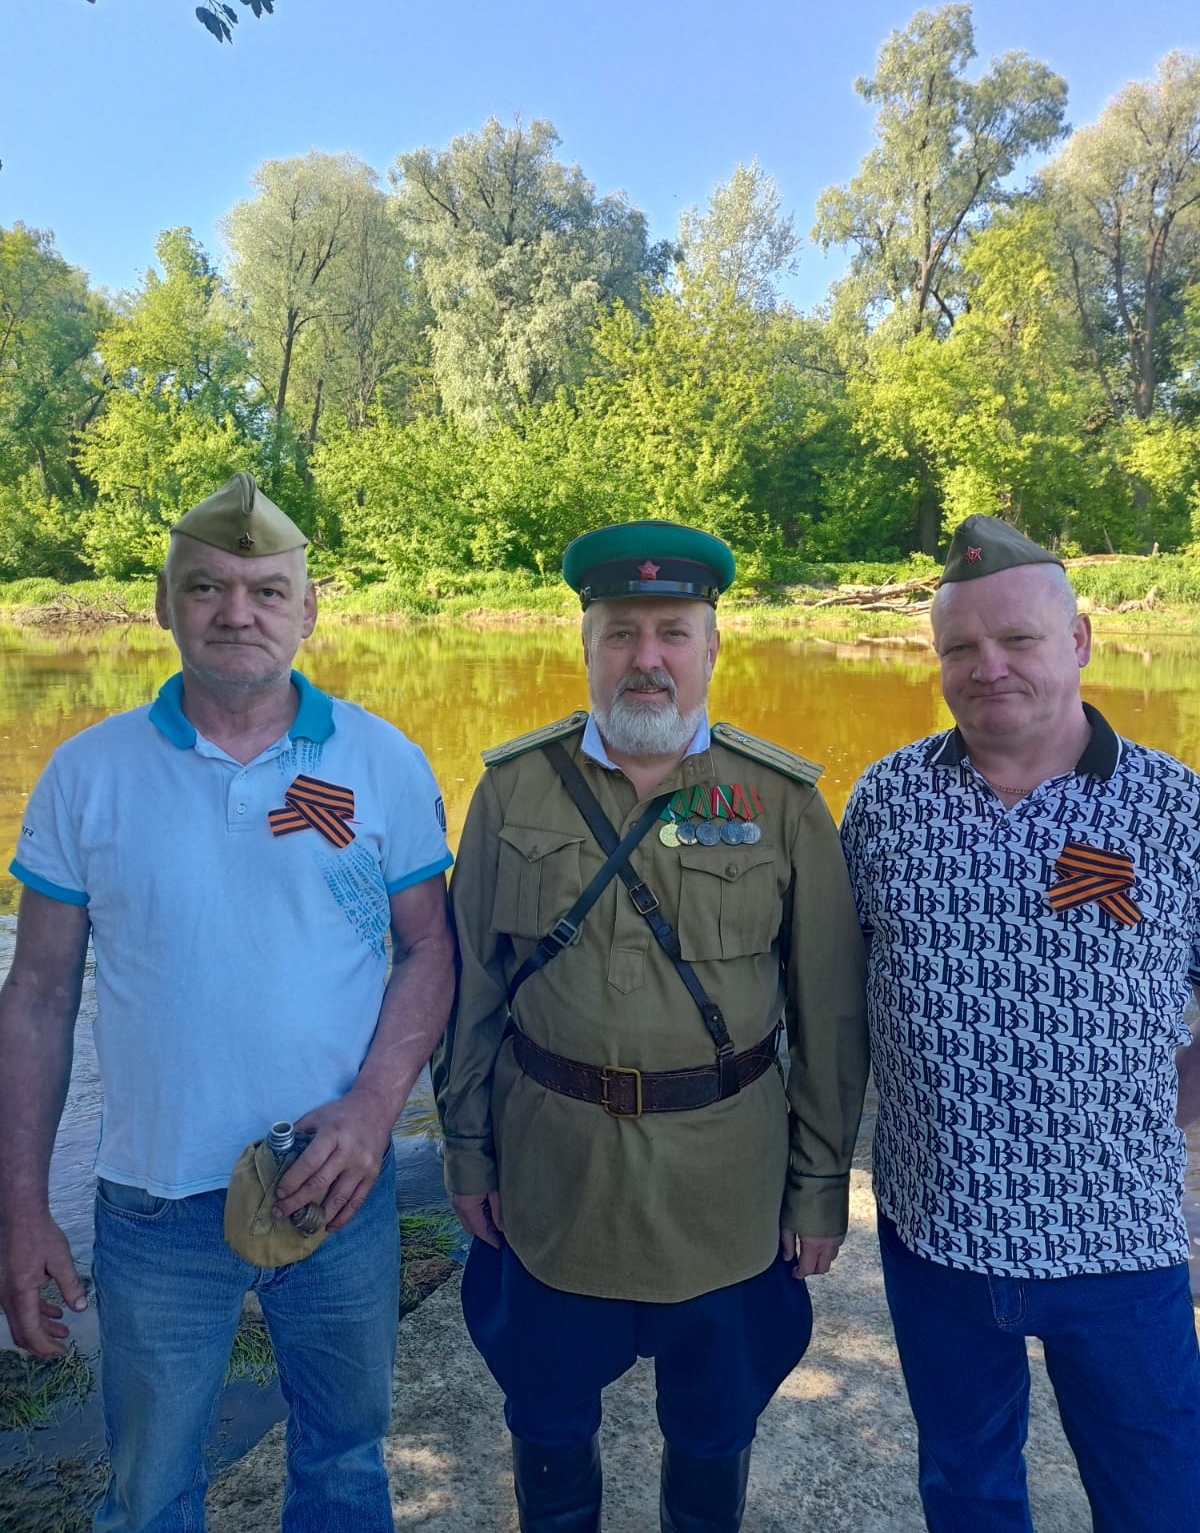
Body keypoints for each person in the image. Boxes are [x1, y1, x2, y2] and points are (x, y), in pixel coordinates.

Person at [0, 473, 456, 1533]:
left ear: (309, 610)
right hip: (152, 1204)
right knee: (150, 1490)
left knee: (344, 1462)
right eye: (206, 587)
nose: (236, 612)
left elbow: (430, 948)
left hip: (339, 1183)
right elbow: (38, 994)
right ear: (164, 603)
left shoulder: (382, 760)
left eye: (266, 590)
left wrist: (376, 1107)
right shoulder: (85, 773)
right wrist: (21, 1208)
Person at [433, 519, 868, 1533]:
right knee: (547, 1424)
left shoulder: (778, 800)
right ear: (585, 646)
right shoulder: (513, 789)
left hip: (723, 1192)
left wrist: (817, 1188)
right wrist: (466, 1149)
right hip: (554, 1182)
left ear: (713, 648)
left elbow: (830, 1014)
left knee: (713, 1436)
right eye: (621, 633)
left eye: (673, 632)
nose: (647, 658)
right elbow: (470, 991)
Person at [840, 513, 1200, 1533]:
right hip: (936, 1236)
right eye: (960, 646)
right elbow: (832, 993)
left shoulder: (1175, 810)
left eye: (1018, 639)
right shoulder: (887, 802)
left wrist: (1149, 1112)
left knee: (1159, 1498)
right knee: (968, 1490)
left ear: (1079, 639)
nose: (987, 666)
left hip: (1119, 1241)